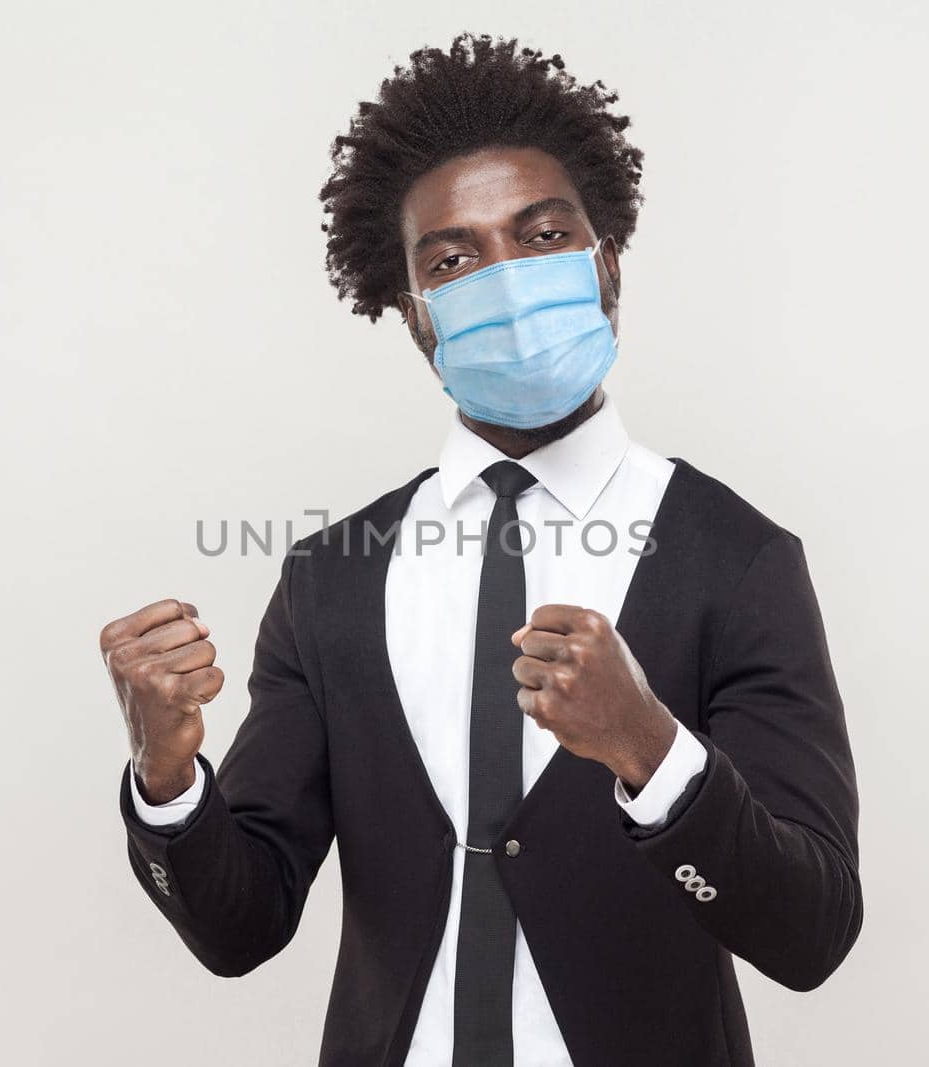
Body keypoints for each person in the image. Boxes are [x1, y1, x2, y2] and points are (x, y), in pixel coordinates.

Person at [100, 33, 862, 1067]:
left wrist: (648, 746)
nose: (504, 281)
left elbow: (811, 932)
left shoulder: (736, 556)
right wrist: (166, 768)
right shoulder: (334, 576)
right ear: (414, 314)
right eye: (454, 260)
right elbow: (242, 927)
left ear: (606, 264)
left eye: (543, 235)